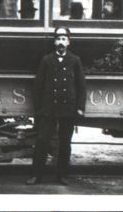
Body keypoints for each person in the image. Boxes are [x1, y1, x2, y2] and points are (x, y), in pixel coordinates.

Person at [27, 27, 86, 185]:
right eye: (58, 39)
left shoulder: (75, 60)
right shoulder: (47, 60)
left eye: (64, 39)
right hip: (48, 108)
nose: (61, 42)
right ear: (54, 42)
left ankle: (62, 175)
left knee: (65, 143)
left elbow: (81, 86)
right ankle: (36, 175)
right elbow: (38, 85)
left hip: (68, 108)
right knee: (42, 141)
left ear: (68, 42)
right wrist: (38, 108)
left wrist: (80, 107)